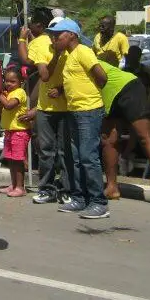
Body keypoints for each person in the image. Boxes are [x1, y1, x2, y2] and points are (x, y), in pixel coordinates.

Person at [47, 18, 111, 219]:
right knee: (74, 157)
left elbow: (102, 77)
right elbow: (77, 81)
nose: (55, 39)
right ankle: (80, 198)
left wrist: (89, 97)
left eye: (59, 35)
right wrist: (62, 90)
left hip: (88, 111)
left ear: (72, 35)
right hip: (74, 110)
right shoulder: (69, 55)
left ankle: (98, 202)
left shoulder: (83, 51)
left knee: (88, 157)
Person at [98, 61, 150, 207]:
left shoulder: (79, 55)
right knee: (108, 139)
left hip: (128, 87)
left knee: (144, 136)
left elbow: (101, 78)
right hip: (110, 96)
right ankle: (111, 187)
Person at [17, 9, 74, 205]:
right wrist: (56, 55)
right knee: (46, 150)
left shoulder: (74, 47)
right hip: (46, 108)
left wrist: (62, 89)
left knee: (66, 151)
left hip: (69, 107)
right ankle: (47, 189)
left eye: (58, 33)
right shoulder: (42, 44)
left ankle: (67, 189)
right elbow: (44, 75)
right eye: (52, 32)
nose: (54, 36)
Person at [0, 68, 30, 198]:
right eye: (6, 81)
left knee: (17, 160)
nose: (9, 83)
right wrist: (1, 98)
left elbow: (10, 105)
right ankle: (13, 184)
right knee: (10, 159)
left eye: (13, 81)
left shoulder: (19, 92)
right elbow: (0, 110)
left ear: (20, 82)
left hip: (19, 131)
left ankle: (20, 187)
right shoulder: (7, 93)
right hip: (9, 131)